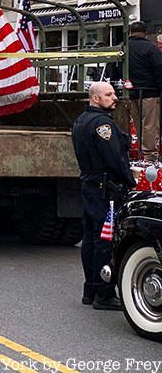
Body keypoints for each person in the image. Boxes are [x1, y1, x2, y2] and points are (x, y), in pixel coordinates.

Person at [72, 81, 136, 310]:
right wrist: (130, 181)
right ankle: (104, 292)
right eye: (109, 94)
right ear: (96, 98)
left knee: (90, 237)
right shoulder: (102, 125)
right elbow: (114, 158)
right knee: (105, 239)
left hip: (90, 185)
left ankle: (90, 289)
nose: (115, 97)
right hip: (105, 189)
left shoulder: (80, 120)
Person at [127, 21, 162, 161]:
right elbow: (159, 69)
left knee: (137, 124)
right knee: (150, 125)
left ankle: (140, 152)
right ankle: (149, 155)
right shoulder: (151, 48)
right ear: (145, 33)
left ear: (130, 32)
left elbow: (114, 68)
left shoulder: (124, 47)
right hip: (150, 92)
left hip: (131, 92)